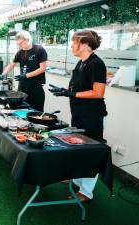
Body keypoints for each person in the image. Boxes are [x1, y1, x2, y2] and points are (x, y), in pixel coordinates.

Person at [49, 30, 107, 202]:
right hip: (80, 114)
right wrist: (66, 92)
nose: (72, 46)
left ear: (85, 44)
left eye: (74, 43)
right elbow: (77, 87)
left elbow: (98, 92)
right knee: (79, 148)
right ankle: (76, 179)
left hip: (92, 116)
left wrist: (71, 94)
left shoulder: (96, 64)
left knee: (90, 152)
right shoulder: (81, 63)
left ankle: (86, 192)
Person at [1, 30, 47, 111]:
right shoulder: (20, 52)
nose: (19, 46)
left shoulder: (39, 50)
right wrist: (3, 73)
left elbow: (42, 68)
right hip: (22, 88)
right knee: (21, 110)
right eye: (18, 44)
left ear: (28, 40)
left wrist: (26, 75)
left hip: (35, 88)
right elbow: (12, 64)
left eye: (20, 43)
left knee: (36, 112)